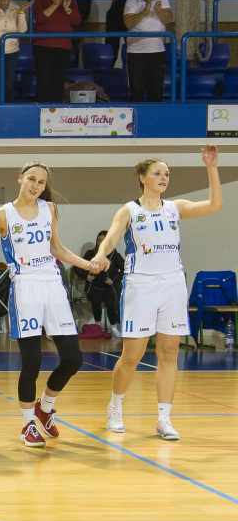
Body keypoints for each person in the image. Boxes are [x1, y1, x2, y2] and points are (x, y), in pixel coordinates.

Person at [91, 148, 222, 440]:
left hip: (173, 284)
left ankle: (164, 419)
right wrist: (101, 254)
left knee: (169, 351)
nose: (164, 178)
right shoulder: (130, 210)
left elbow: (214, 205)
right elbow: (111, 237)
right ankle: (116, 406)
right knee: (132, 355)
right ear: (142, 178)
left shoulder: (175, 207)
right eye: (157, 173)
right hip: (141, 285)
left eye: (167, 174)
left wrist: (211, 167)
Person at [0, 162, 100, 448]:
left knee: (73, 359)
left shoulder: (50, 209)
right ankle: (27, 423)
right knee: (31, 361)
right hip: (24, 287)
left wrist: (87, 264)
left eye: (41, 182)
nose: (35, 185)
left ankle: (45, 407)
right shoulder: (1, 215)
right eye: (31, 179)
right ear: (20, 178)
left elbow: (57, 248)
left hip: (53, 286)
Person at [123, 0, 174, 102]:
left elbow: (169, 20)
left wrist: (159, 11)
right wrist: (144, 12)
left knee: (156, 91)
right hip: (135, 51)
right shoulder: (131, 1)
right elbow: (128, 24)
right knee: (136, 91)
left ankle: (156, 115)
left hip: (157, 50)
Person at [32, 0, 81, 103]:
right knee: (44, 79)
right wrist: (55, 4)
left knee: (58, 80)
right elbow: (39, 19)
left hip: (63, 46)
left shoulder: (69, 0)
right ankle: (42, 107)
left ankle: (56, 108)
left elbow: (76, 21)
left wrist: (67, 9)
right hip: (43, 46)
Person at [85, 229, 123, 335]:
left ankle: (114, 326)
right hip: (95, 286)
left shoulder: (114, 254)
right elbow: (78, 268)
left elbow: (124, 269)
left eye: (103, 240)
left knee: (111, 301)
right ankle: (98, 325)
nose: (100, 243)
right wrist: (87, 276)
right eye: (99, 240)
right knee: (95, 299)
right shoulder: (90, 253)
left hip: (108, 287)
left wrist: (113, 280)